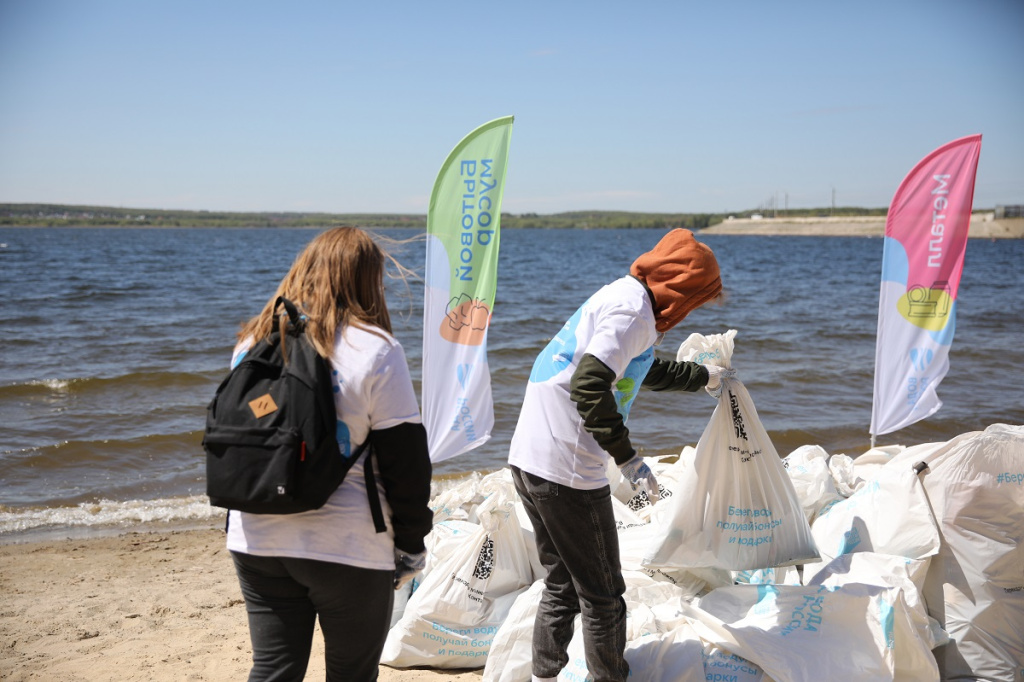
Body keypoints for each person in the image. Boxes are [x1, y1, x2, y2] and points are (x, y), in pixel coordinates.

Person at [507, 228, 731, 682]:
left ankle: (542, 679)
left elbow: (637, 368)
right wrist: (626, 458)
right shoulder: (633, 314)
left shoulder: (627, 296)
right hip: (566, 468)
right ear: (682, 289)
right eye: (696, 300)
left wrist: (702, 376)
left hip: (530, 456)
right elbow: (589, 385)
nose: (692, 311)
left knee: (561, 583)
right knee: (604, 593)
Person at [225, 227, 433, 682]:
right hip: (347, 546)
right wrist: (412, 545)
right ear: (366, 280)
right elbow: (406, 465)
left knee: (273, 668)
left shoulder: (251, 343)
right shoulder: (376, 350)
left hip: (254, 534)